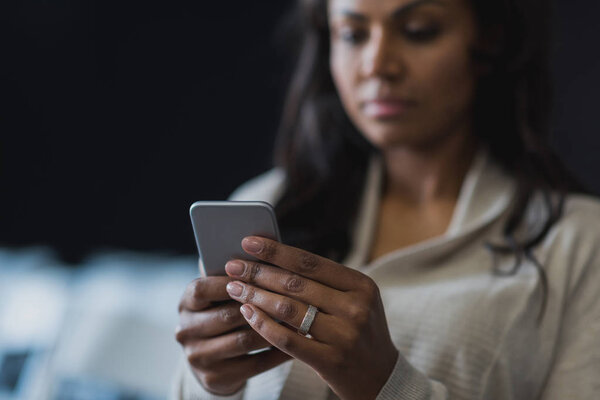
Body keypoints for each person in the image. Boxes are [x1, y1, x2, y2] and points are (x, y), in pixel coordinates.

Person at [173, 0, 600, 398]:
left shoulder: (579, 243)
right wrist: (209, 383)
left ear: (489, 37)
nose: (377, 64)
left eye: (418, 31)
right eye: (353, 35)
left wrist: (385, 384)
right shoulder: (270, 203)